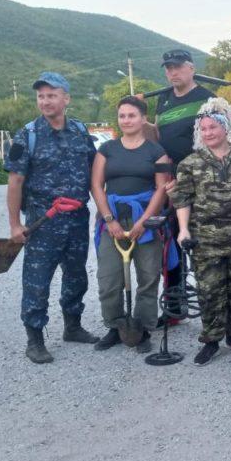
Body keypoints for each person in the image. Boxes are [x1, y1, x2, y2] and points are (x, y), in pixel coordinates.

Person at [4, 71, 99, 363]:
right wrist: (15, 225)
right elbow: (15, 182)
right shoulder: (27, 135)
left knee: (76, 275)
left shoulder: (80, 131)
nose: (45, 101)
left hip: (77, 217)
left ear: (66, 99)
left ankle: (73, 326)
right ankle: (34, 339)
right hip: (43, 220)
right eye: (41, 96)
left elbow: (94, 172)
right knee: (37, 279)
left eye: (52, 95)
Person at [169, 98, 231, 366]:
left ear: (225, 127)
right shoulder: (190, 163)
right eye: (203, 129)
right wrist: (183, 230)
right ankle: (211, 339)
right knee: (209, 291)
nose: (208, 133)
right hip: (205, 240)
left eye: (213, 128)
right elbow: (182, 199)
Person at [89, 95, 171, 353]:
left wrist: (144, 222)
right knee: (108, 278)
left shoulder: (157, 152)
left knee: (148, 276)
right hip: (112, 218)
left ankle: (143, 329)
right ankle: (116, 326)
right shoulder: (107, 150)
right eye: (122, 115)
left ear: (143, 118)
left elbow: (161, 189)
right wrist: (109, 219)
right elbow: (96, 185)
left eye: (132, 115)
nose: (126, 120)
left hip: (145, 219)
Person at [153, 49, 216, 317]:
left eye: (178, 66)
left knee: (201, 243)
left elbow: (216, 140)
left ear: (191, 68)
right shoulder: (163, 99)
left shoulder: (207, 98)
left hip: (200, 180)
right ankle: (175, 308)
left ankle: (213, 310)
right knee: (171, 244)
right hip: (170, 180)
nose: (172, 72)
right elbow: (157, 135)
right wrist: (135, 115)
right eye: (168, 68)